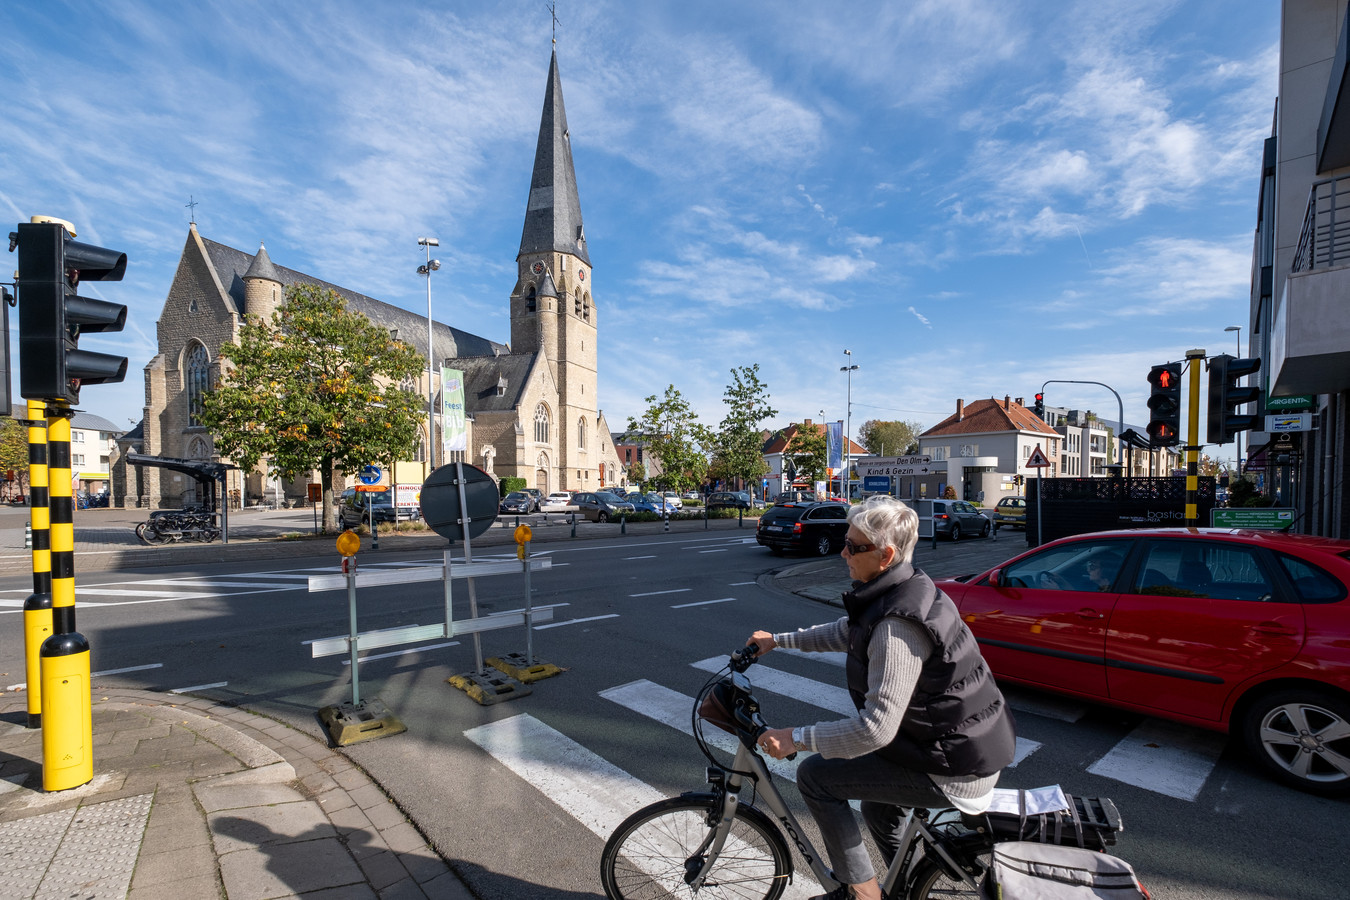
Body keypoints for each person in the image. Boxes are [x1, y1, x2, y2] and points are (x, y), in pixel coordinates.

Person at [748, 496, 1016, 900]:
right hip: (951, 745)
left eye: (854, 547)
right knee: (876, 804)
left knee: (816, 776)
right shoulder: (906, 585)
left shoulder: (897, 625)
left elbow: (875, 729)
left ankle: (864, 894)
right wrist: (779, 642)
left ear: (886, 553)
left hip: (952, 764)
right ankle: (903, 887)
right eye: (846, 541)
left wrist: (796, 738)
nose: (843, 553)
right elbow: (848, 632)